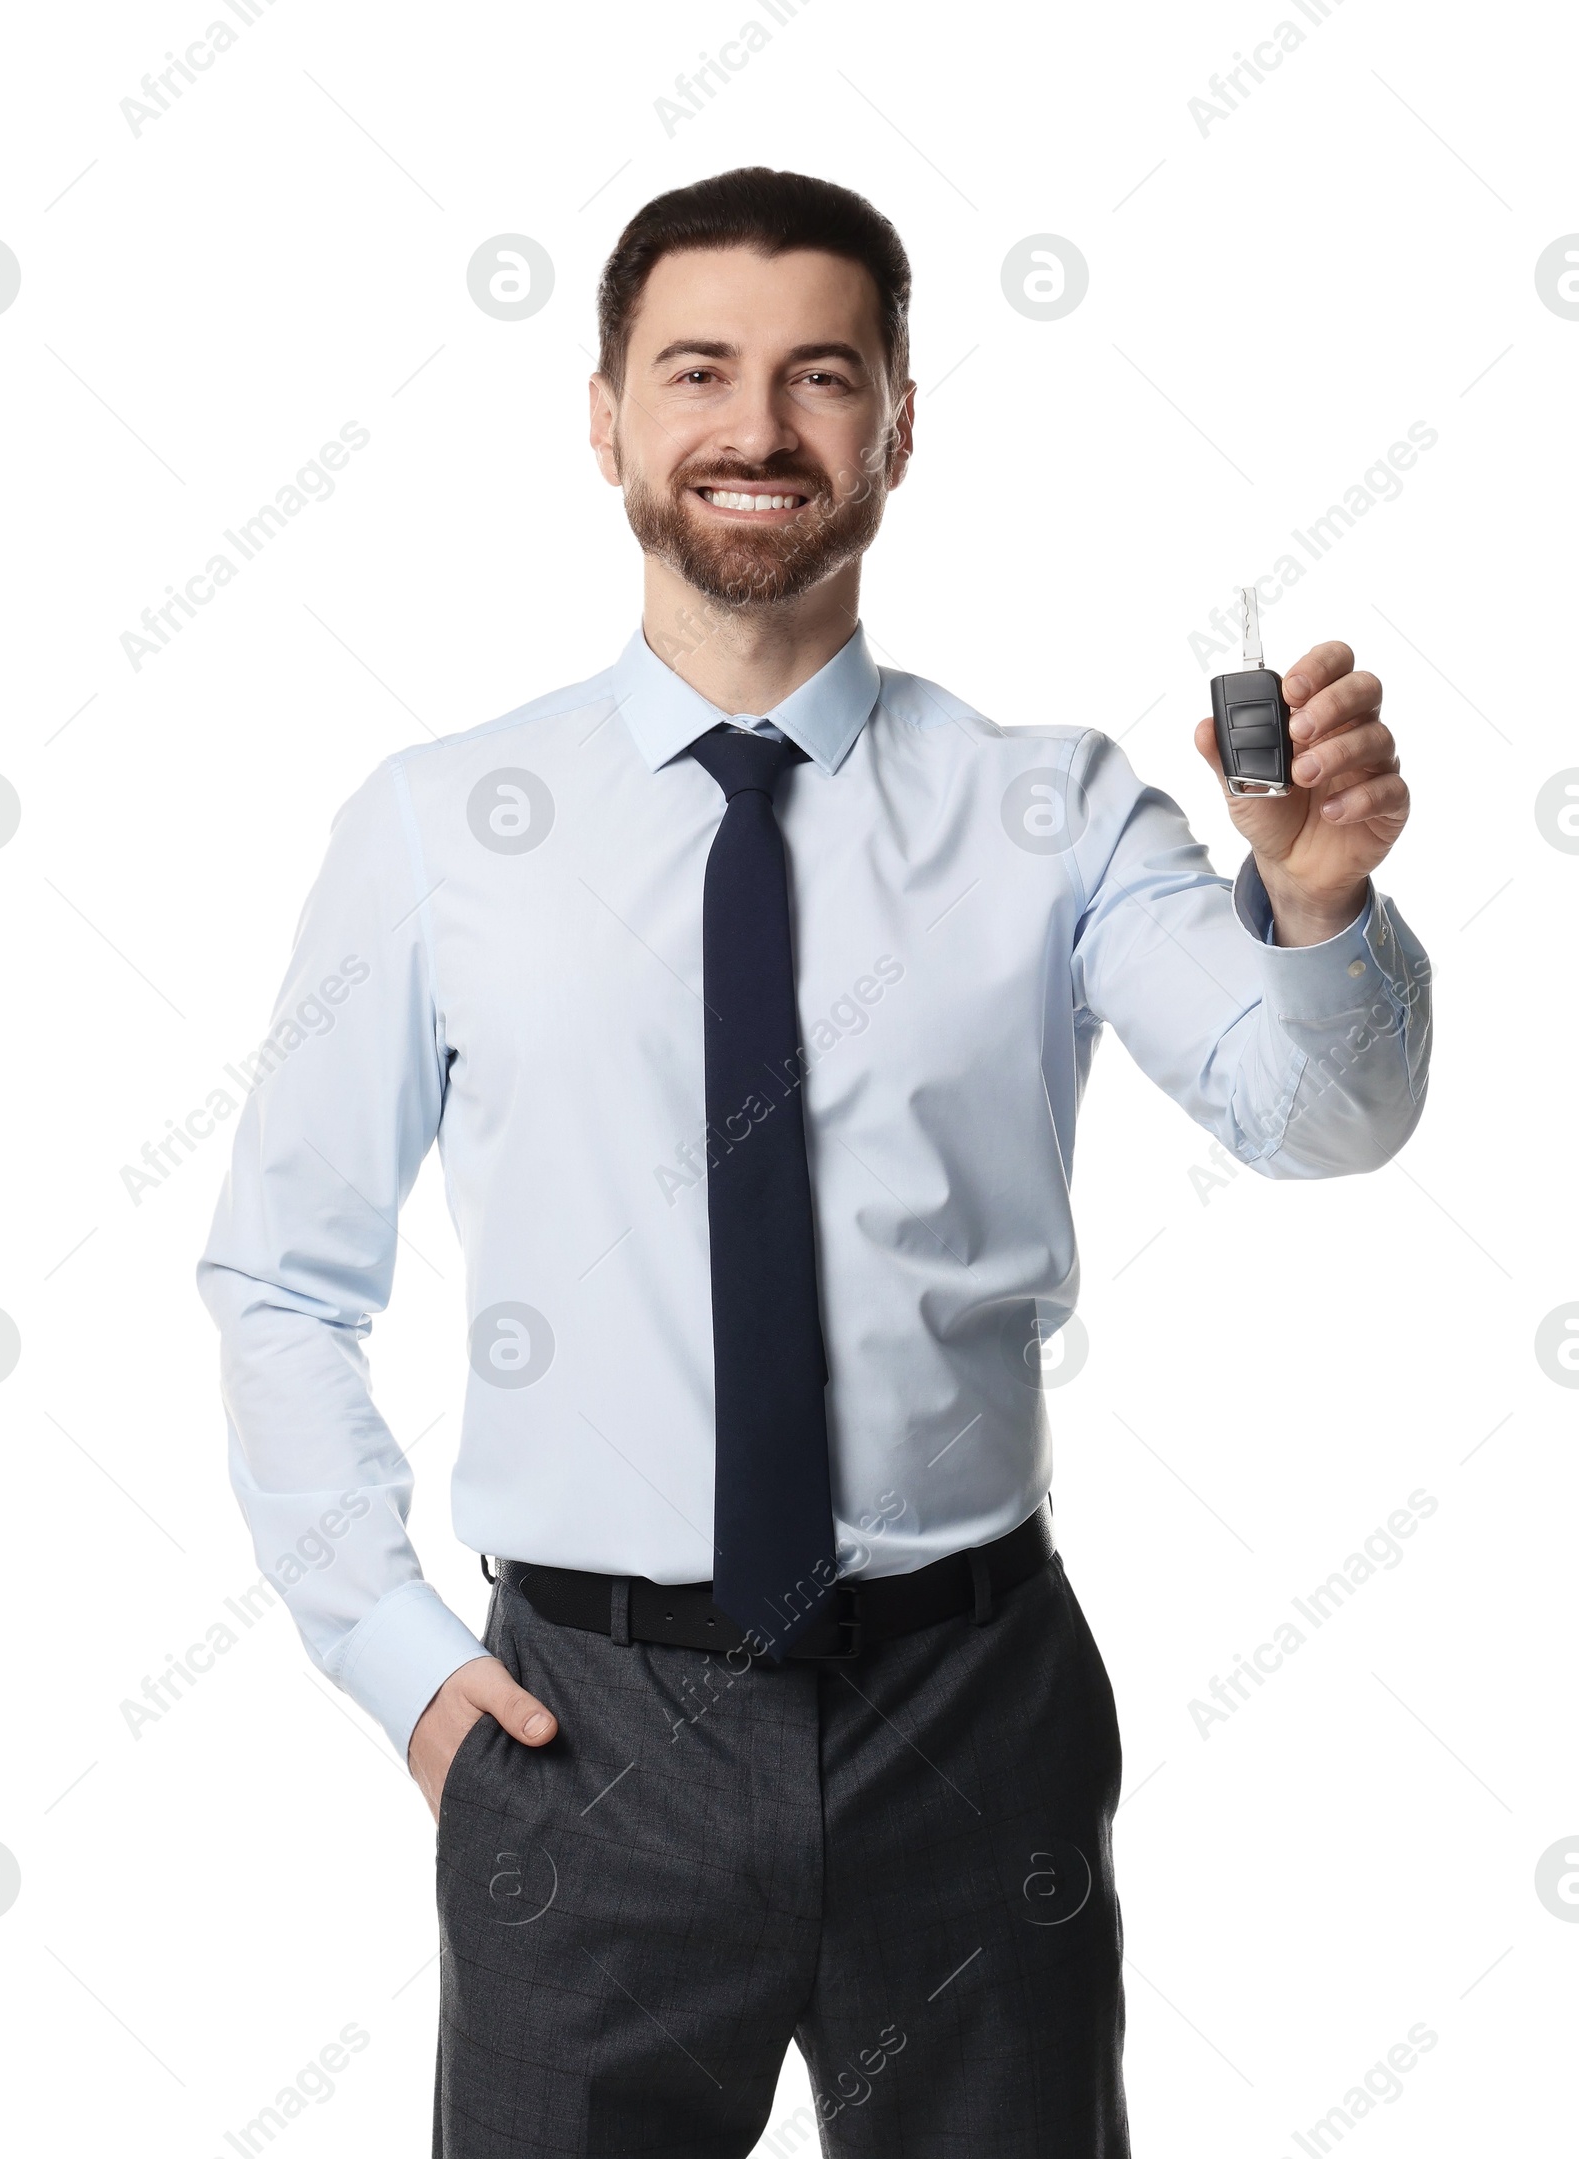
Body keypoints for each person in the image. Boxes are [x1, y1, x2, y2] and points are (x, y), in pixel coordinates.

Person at [198, 166, 1430, 2157]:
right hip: (580, 1743)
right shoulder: (438, 829)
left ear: (898, 422)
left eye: (819, 376)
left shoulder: (1055, 814)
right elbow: (279, 1275)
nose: (756, 429)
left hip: (971, 1723)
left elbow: (1323, 1116)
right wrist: (401, 1663)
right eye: (696, 371)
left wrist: (1308, 913)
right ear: (602, 415)